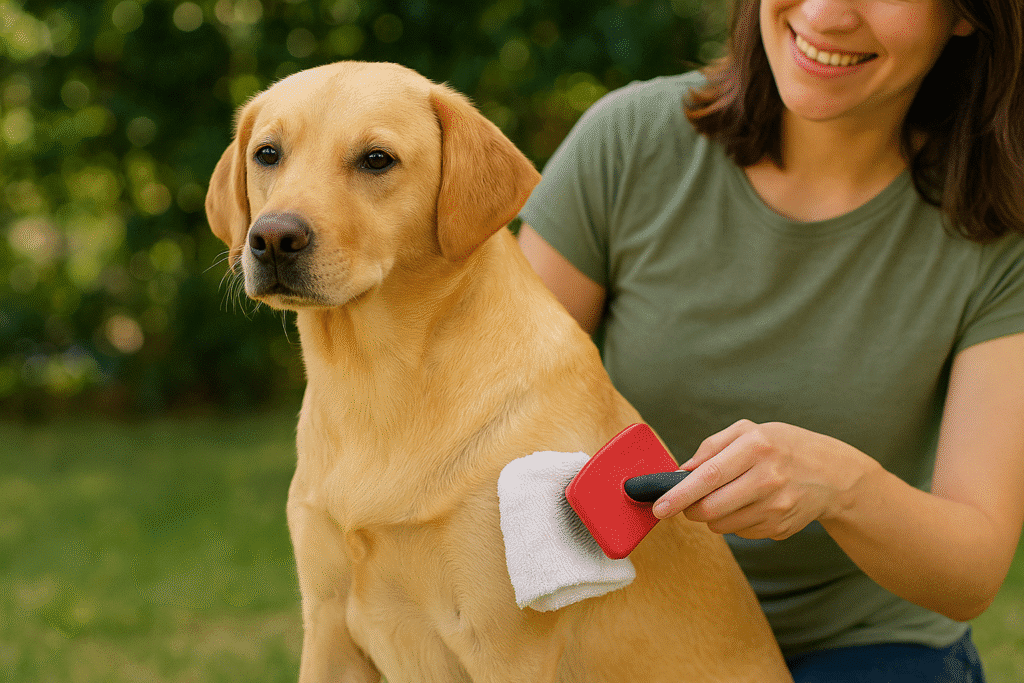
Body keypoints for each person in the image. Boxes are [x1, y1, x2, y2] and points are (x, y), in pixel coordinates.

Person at [517, 0, 1024, 679]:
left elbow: (974, 569)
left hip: (864, 645)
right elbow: (494, 407)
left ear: (966, 15)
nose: (823, 13)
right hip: (626, 620)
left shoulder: (1001, 231)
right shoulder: (627, 142)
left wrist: (842, 487)